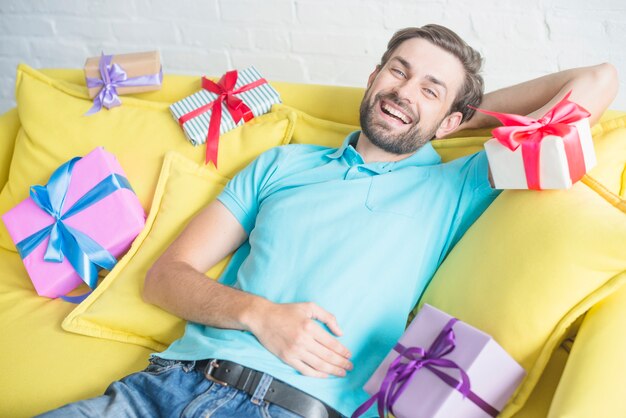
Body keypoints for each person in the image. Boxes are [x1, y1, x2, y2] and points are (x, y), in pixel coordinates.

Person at [40, 24, 618, 418]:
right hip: (159, 389)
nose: (402, 91)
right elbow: (163, 277)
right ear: (373, 75)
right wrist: (258, 315)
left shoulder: (458, 183)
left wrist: (444, 121)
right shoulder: (281, 164)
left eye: (429, 88)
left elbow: (596, 81)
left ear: (453, 120)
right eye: (398, 71)